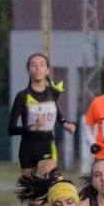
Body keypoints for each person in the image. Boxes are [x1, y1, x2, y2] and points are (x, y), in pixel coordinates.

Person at [8, 53, 74, 181]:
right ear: (28, 70)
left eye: (42, 65)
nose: (38, 68)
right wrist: (31, 128)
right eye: (34, 65)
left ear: (47, 70)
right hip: (28, 147)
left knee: (46, 184)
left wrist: (65, 123)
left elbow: (55, 110)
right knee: (32, 195)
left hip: (47, 144)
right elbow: (11, 129)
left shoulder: (52, 92)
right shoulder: (22, 96)